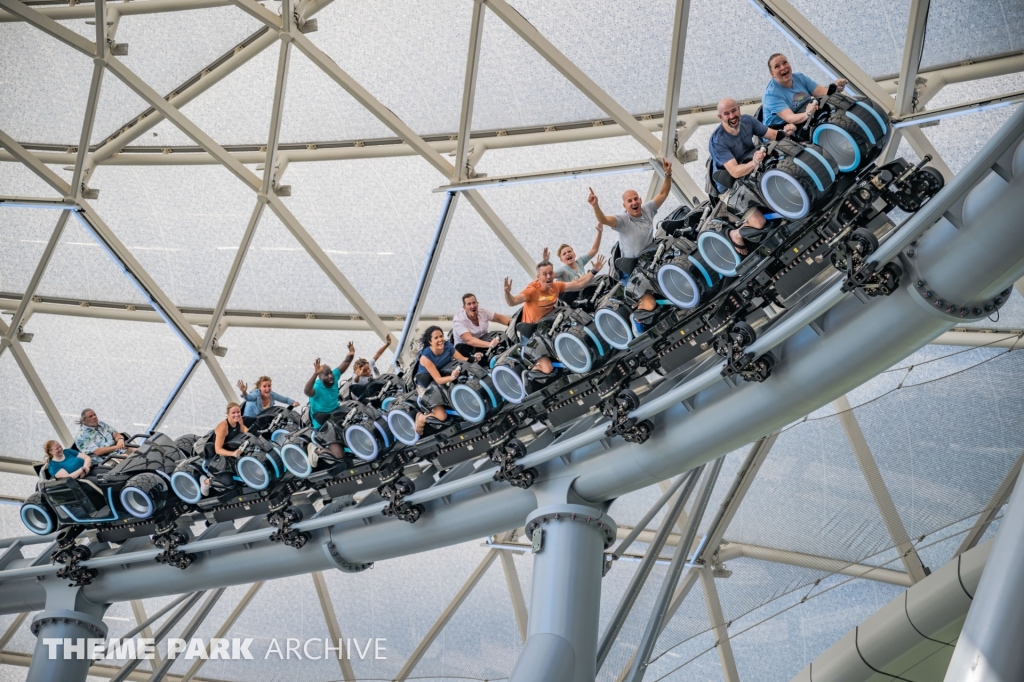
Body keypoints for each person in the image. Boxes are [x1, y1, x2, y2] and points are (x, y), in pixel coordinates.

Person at [709, 98, 795, 253]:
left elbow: (772, 134)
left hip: (751, 172)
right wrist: (754, 163)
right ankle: (735, 234)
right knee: (758, 222)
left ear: (739, 109)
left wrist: (786, 131)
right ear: (720, 117)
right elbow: (734, 172)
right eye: (726, 114)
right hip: (731, 186)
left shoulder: (748, 121)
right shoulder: (717, 141)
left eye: (734, 110)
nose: (732, 116)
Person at [503, 257, 606, 374]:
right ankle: (531, 368)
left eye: (550, 273)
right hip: (530, 335)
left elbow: (579, 284)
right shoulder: (532, 291)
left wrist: (594, 271)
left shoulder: (556, 286)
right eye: (544, 274)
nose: (548, 276)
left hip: (546, 327)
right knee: (548, 369)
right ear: (538, 277)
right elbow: (512, 302)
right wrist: (507, 292)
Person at [587, 158, 673, 260]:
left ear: (640, 200)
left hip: (649, 258)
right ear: (625, 206)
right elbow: (603, 220)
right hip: (631, 266)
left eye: (636, 199)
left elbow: (663, 194)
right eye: (629, 201)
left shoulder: (648, 209)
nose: (634, 202)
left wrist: (668, 173)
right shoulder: (623, 220)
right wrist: (595, 205)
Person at [415, 326, 479, 433]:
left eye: (441, 336)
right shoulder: (426, 357)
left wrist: (474, 358)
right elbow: (438, 380)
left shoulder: (447, 346)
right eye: (436, 338)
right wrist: (453, 377)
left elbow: (461, 359)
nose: (440, 340)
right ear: (430, 341)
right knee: (442, 416)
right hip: (428, 386)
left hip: (445, 376)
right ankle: (421, 418)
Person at [762, 53, 847, 128]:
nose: (783, 67)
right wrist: (808, 114)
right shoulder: (771, 95)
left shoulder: (800, 77)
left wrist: (836, 88)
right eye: (777, 66)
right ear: (772, 74)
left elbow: (824, 93)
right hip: (781, 129)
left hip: (803, 116)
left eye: (785, 62)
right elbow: (790, 118)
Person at [303, 343, 356, 430]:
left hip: (335, 413)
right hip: (321, 420)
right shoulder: (317, 388)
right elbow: (307, 391)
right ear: (320, 377)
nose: (330, 376)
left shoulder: (334, 377)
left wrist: (351, 353)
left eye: (330, 372)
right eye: (326, 374)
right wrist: (315, 374)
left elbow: (346, 362)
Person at [200, 403, 248, 496]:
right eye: (233, 413)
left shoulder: (239, 419)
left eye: (238, 412)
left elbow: (241, 434)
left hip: (228, 450)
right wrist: (233, 453)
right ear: (228, 414)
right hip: (215, 456)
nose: (237, 415)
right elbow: (218, 450)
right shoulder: (223, 427)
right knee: (229, 483)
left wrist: (241, 424)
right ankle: (206, 482)